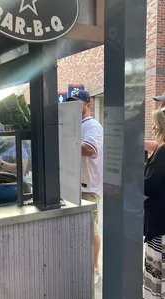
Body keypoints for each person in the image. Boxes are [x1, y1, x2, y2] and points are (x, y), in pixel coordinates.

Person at [66, 90, 103, 285]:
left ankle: (95, 267)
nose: (74, 107)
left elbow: (91, 149)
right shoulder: (75, 125)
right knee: (79, 228)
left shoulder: (92, 126)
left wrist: (65, 140)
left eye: (77, 104)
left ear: (87, 105)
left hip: (89, 187)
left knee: (91, 228)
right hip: (74, 185)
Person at [143, 108, 165, 299]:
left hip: (159, 226)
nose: (153, 127)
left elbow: (147, 187)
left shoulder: (163, 152)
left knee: (157, 271)